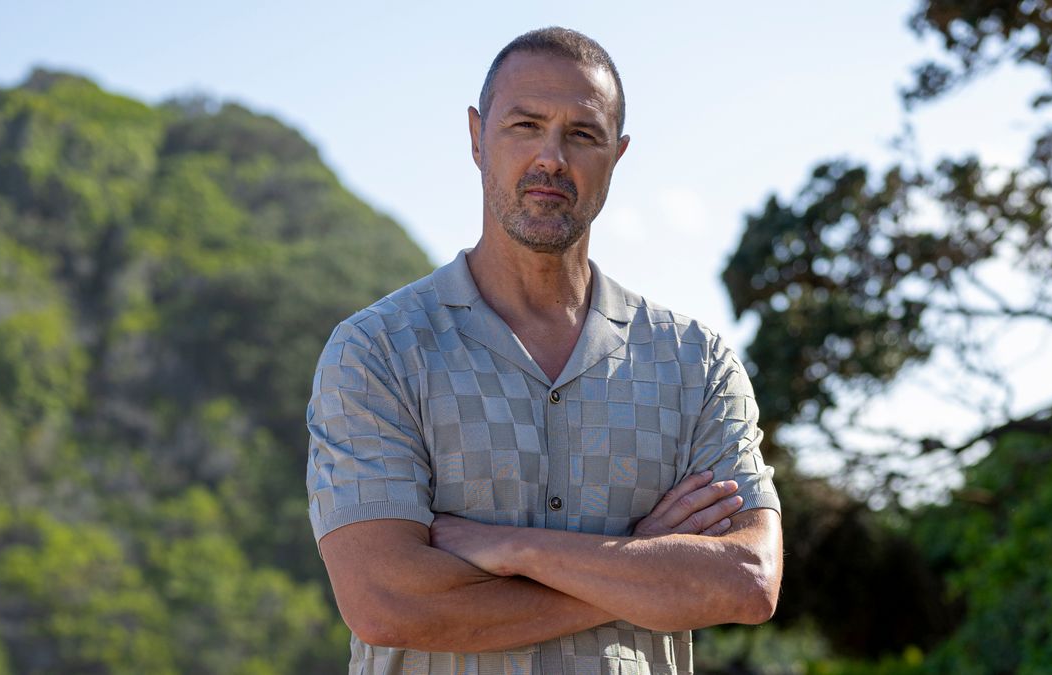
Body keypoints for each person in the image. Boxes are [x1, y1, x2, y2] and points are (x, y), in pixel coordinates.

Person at [306, 26, 782, 675]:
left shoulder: (694, 362)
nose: (552, 157)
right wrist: (639, 562)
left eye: (582, 134)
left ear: (617, 152)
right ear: (477, 136)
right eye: (526, 125)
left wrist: (513, 547)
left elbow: (747, 580)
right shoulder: (379, 351)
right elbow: (387, 600)